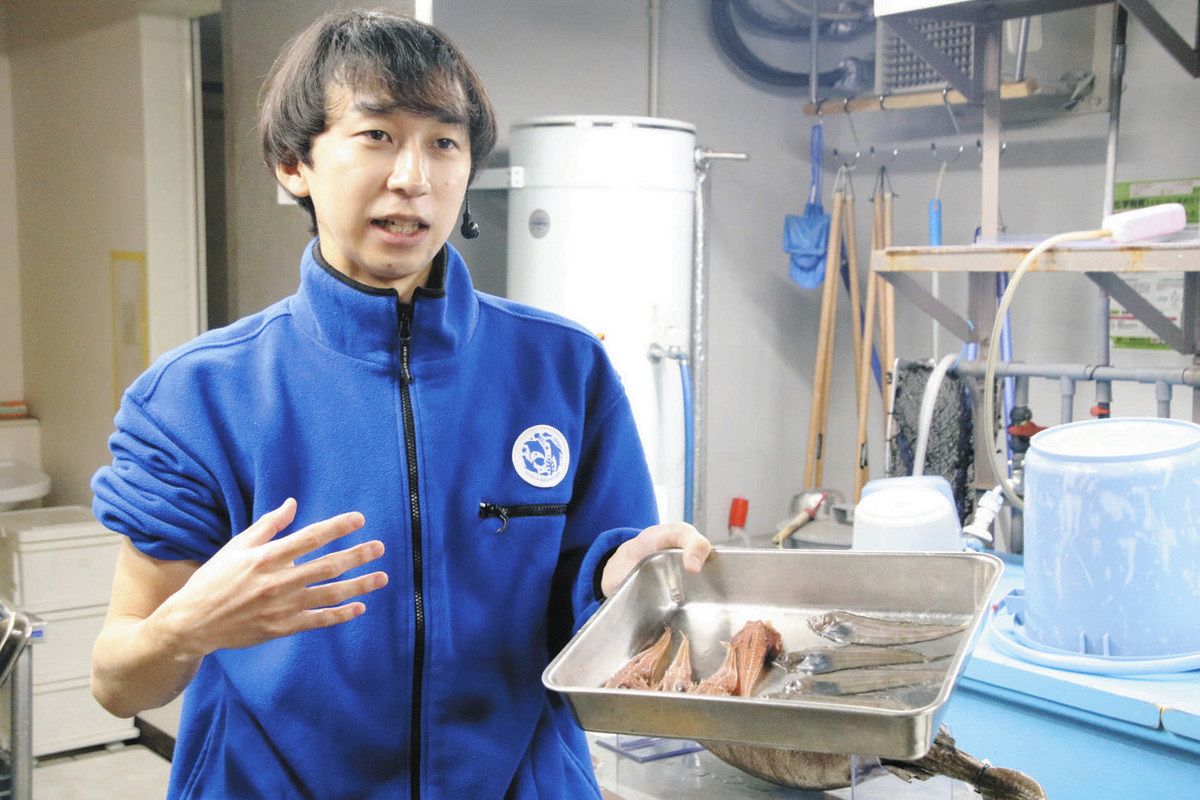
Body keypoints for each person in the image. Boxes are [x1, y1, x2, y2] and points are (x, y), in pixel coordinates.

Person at [89, 9, 711, 799]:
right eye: (377, 135)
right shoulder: (198, 396)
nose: (413, 176)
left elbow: (604, 631)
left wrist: (621, 583)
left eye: (444, 143)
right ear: (294, 164)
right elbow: (117, 682)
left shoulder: (563, 368)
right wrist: (189, 626)